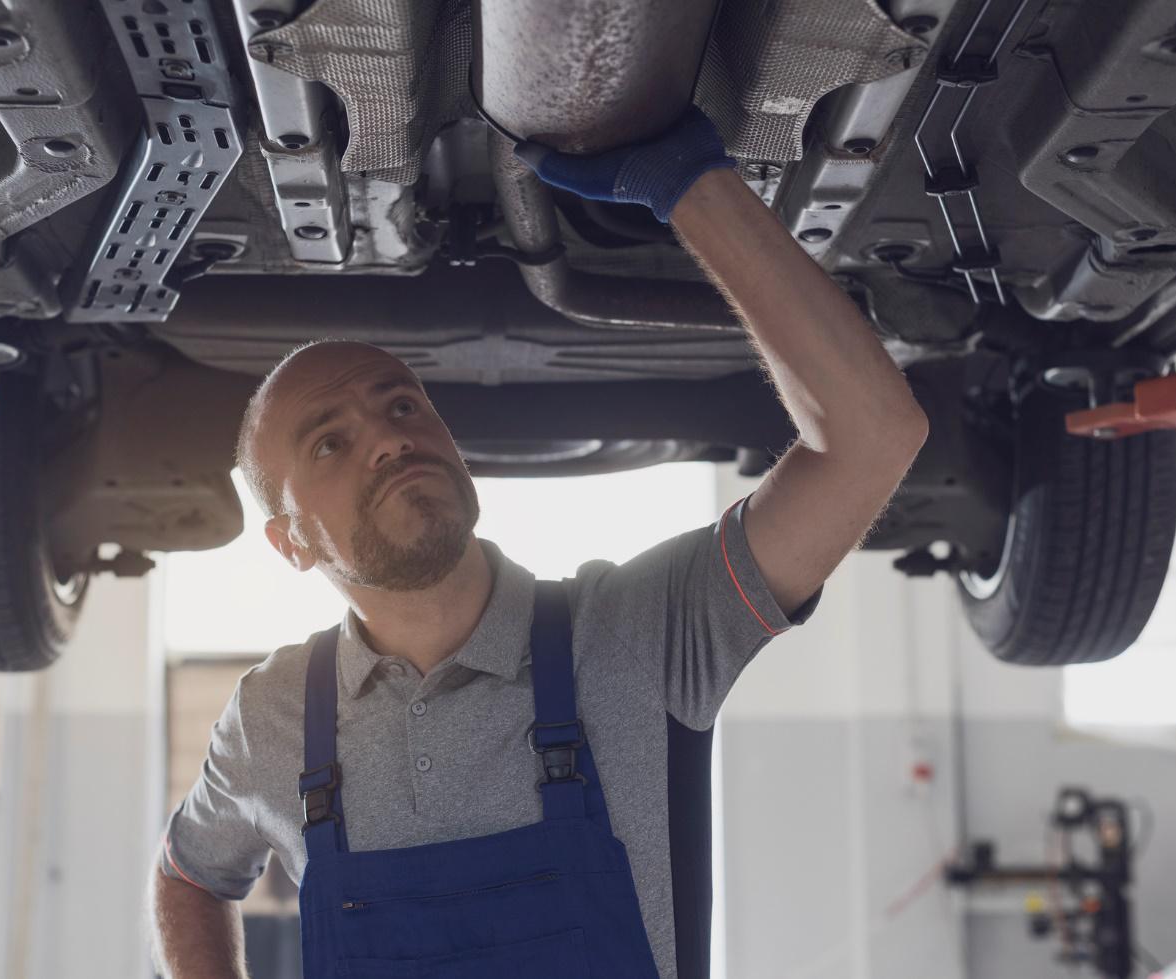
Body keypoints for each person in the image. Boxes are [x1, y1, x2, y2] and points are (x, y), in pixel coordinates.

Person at [149, 108, 929, 979]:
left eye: (402, 403)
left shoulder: (637, 632)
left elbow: (871, 435)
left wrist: (697, 193)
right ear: (290, 543)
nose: (388, 436)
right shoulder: (275, 715)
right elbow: (187, 874)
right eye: (330, 442)